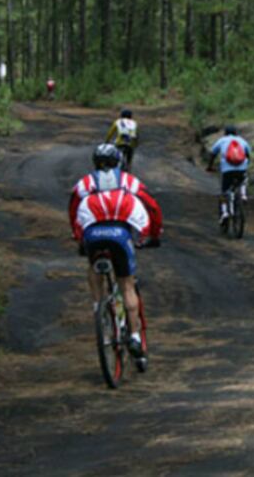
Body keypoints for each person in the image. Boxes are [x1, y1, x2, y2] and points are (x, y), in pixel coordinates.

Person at [69, 143, 163, 359]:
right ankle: (135, 336)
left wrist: (78, 236)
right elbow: (152, 206)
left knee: (93, 266)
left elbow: (73, 207)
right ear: (118, 161)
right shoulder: (128, 181)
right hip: (121, 236)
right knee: (127, 285)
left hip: (93, 234)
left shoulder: (86, 182)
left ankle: (98, 309)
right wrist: (154, 234)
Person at [207, 125, 252, 223]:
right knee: (243, 180)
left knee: (224, 192)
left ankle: (225, 213)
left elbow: (213, 154)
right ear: (236, 132)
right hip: (241, 169)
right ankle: (243, 194)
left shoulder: (222, 140)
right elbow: (248, 154)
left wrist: (209, 166)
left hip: (227, 170)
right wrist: (246, 165)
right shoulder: (242, 140)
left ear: (225, 133)